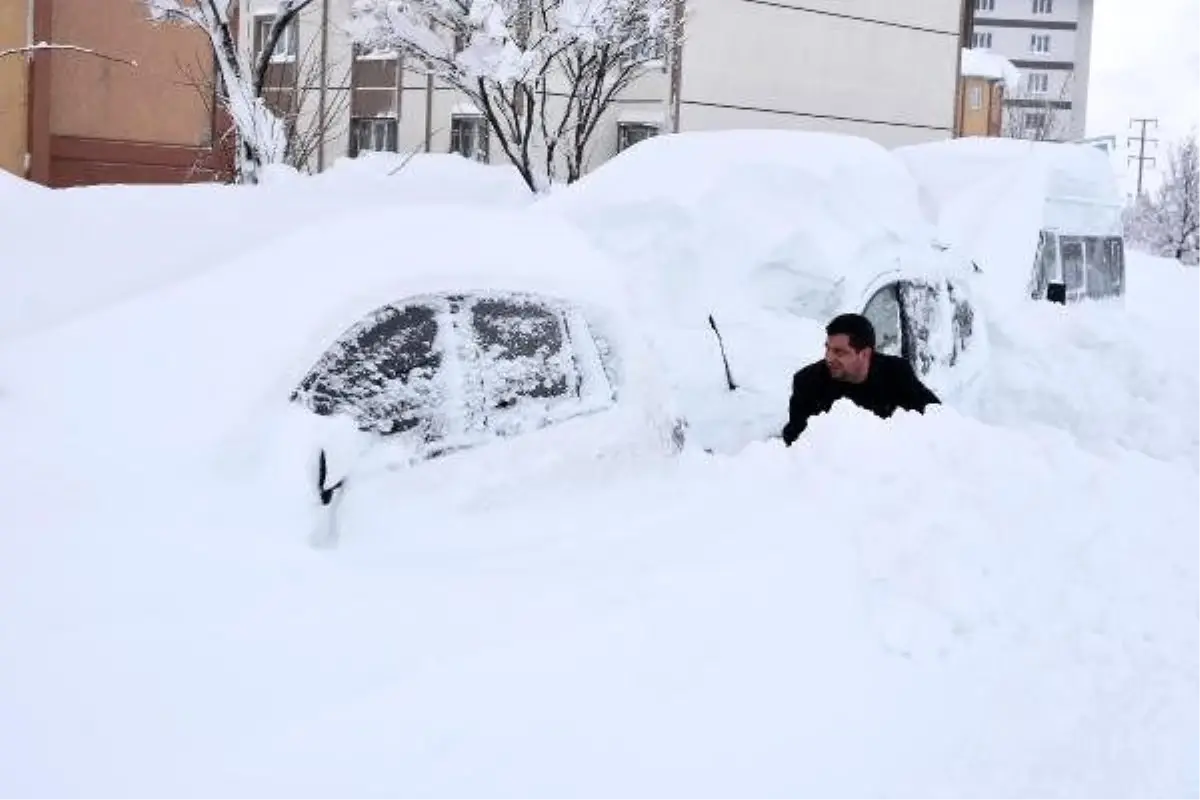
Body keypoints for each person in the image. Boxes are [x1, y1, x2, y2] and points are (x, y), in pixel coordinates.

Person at [782, 313, 940, 446]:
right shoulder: (808, 382)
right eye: (828, 348)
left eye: (839, 352)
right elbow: (795, 444)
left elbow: (937, 417)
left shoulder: (895, 373)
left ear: (864, 354)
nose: (828, 358)